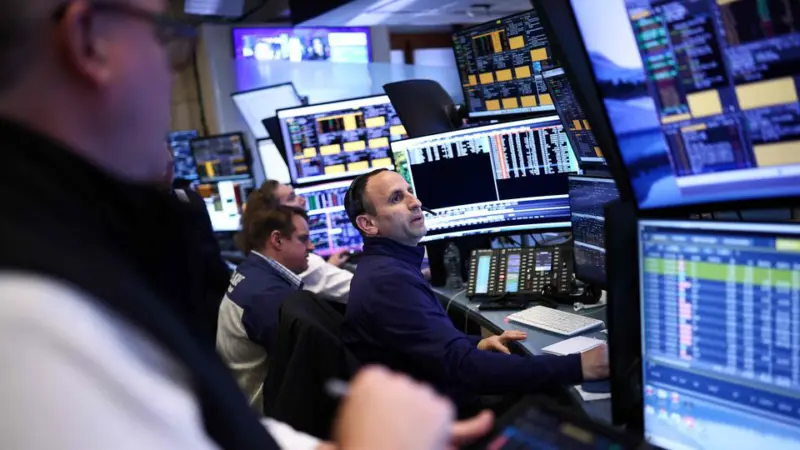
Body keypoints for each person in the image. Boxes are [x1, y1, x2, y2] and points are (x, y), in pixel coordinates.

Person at [0, 1, 493, 448]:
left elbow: (195, 427)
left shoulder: (82, 253)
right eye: (162, 33)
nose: (171, 69)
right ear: (90, 40)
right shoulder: (31, 310)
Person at [342, 169, 610, 415]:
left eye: (410, 191)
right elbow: (464, 369)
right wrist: (581, 365)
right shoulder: (389, 281)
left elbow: (427, 346)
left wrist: (475, 344)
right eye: (396, 198)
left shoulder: (386, 268)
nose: (415, 202)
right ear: (368, 224)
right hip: (448, 422)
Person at [217, 205, 314, 412]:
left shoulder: (251, 270)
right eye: (304, 239)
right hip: (268, 415)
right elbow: (309, 368)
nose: (311, 246)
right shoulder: (269, 297)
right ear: (277, 240)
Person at [161, 144, 232, 347]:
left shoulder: (190, 201)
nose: (168, 169)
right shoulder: (133, 212)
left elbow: (213, 262)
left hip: (209, 308)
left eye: (170, 164)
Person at [253, 180, 353, 303]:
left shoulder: (259, 259)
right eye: (291, 198)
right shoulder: (307, 264)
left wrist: (328, 268)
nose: (303, 200)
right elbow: (364, 290)